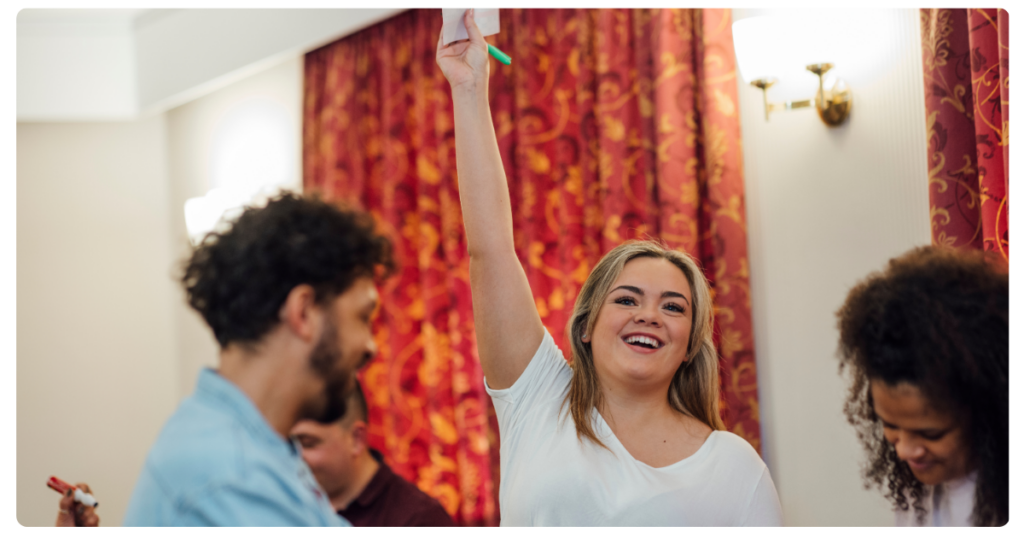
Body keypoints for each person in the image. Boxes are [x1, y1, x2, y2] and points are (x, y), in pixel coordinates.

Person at [434, 10, 782, 526]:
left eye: (673, 307)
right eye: (626, 299)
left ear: (690, 344)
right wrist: (468, 89)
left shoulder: (734, 467)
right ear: (587, 327)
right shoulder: (538, 402)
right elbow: (491, 250)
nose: (649, 315)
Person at [124, 194, 394, 526]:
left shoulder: (263, 450)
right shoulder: (232, 477)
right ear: (304, 312)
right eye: (363, 317)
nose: (371, 346)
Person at [836, 246, 1008, 527]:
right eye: (890, 425)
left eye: (930, 433)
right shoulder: (919, 490)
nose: (904, 450)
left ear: (987, 412)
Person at [291, 381, 454, 527]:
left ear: (356, 439)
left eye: (307, 443)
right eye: (289, 443)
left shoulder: (420, 519)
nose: (295, 455)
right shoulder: (291, 503)